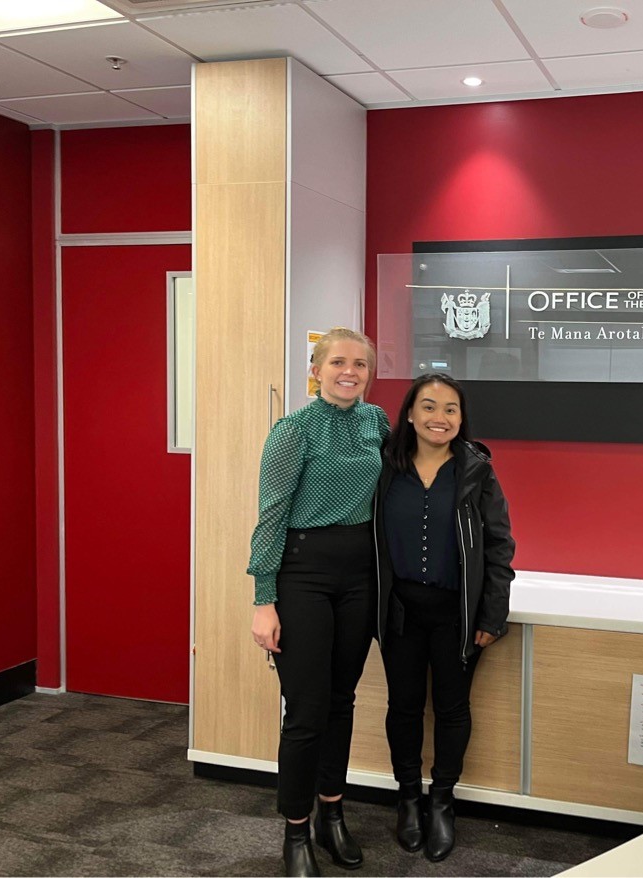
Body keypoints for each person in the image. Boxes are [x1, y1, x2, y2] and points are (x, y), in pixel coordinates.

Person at [247, 327, 390, 876]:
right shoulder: (292, 430)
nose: (349, 371)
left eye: (360, 364)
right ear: (317, 368)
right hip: (303, 574)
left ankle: (333, 813)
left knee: (342, 701)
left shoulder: (376, 423)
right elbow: (271, 516)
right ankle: (296, 830)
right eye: (337, 362)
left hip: (359, 574)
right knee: (306, 713)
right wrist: (265, 600)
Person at [374, 373, 515, 862]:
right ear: (410, 414)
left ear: (462, 418)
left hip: (458, 613)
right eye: (429, 407)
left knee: (453, 709)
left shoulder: (476, 470)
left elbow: (499, 546)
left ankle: (442, 801)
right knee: (405, 706)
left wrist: (493, 614)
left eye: (451, 409)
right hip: (400, 612)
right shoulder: (385, 466)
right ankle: (408, 799)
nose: (440, 418)